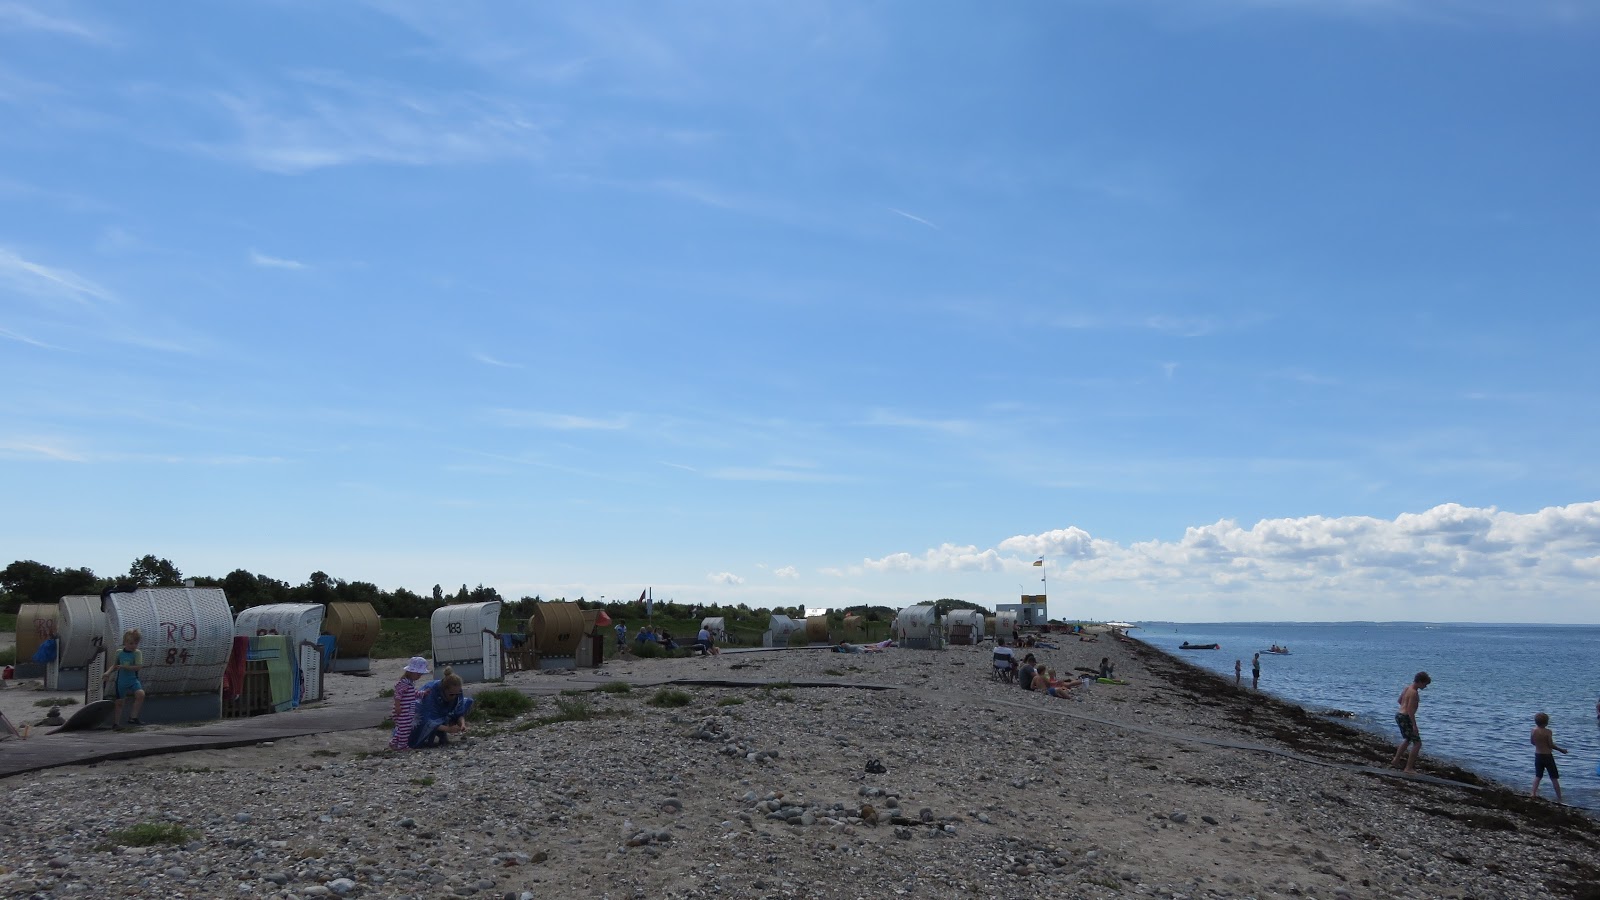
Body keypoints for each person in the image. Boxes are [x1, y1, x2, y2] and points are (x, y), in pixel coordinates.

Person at [409, 667, 474, 748]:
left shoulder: (456, 692)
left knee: (466, 702)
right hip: (421, 717)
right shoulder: (431, 692)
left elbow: (459, 710)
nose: (454, 697)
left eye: (456, 694)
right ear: (444, 690)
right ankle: (429, 737)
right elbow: (426, 720)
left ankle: (442, 736)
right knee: (430, 721)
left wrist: (462, 724)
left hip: (442, 712)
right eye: (451, 694)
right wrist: (448, 729)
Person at [1389, 671, 1431, 774]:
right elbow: (1410, 710)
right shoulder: (1414, 692)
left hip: (1399, 715)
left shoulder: (1407, 688)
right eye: (1425, 684)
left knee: (1407, 739)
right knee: (1417, 743)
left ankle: (1396, 760)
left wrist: (1404, 705)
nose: (1425, 687)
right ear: (1420, 682)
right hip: (1405, 717)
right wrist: (1414, 726)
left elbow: (1399, 701)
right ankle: (1408, 768)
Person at [103, 629, 146, 730]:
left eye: (135, 643)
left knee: (140, 694)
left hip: (132, 679)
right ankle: (116, 723)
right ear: (125, 642)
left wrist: (125, 667)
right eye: (131, 643)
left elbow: (138, 667)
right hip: (121, 680)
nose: (133, 646)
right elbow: (115, 665)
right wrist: (107, 673)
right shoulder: (120, 652)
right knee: (119, 702)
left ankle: (133, 717)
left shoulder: (137, 653)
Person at [389, 656, 429, 750]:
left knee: (402, 728)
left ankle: (394, 743)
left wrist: (423, 693)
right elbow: (397, 695)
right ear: (411, 672)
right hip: (403, 710)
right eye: (418, 674)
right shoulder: (404, 683)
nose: (419, 676)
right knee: (405, 729)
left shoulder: (409, 683)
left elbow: (414, 693)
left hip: (408, 710)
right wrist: (397, 706)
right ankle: (402, 745)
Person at [1530, 712, 1569, 802]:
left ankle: (1533, 793)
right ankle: (1559, 797)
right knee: (1554, 777)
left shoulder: (1533, 730)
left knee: (1538, 776)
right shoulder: (1548, 732)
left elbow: (1532, 742)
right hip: (1547, 756)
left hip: (1538, 755)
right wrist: (1561, 750)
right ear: (1546, 723)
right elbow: (1551, 745)